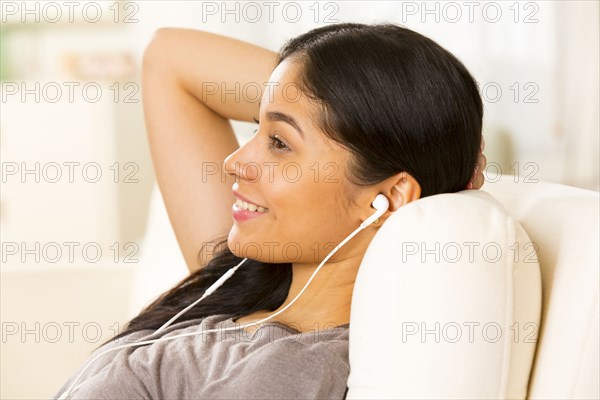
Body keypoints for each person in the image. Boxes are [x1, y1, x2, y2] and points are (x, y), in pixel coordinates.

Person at [55, 22, 486, 399]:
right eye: (257, 129)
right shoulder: (246, 278)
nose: (235, 163)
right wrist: (422, 130)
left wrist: (423, 132)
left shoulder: (288, 370)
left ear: (389, 198)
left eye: (279, 142)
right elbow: (169, 57)